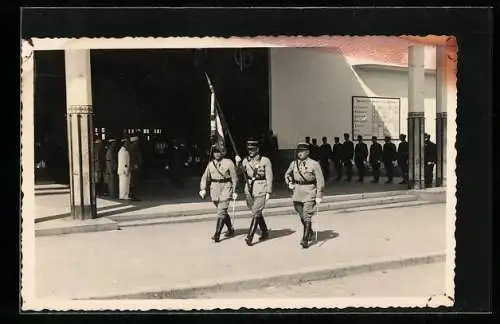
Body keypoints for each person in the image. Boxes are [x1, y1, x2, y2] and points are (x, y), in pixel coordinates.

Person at [284, 143, 325, 249]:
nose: (300, 153)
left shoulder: (314, 164)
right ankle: (310, 231)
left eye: (302, 151)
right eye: (298, 151)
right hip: (297, 191)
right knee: (301, 214)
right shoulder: (294, 164)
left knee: (306, 215)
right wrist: (289, 183)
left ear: (307, 152)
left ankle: (305, 239)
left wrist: (319, 195)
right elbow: (287, 174)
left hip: (309, 191)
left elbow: (320, 180)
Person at [235, 139, 273, 246]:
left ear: (258, 149)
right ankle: (265, 232)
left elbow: (269, 176)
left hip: (261, 187)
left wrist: (269, 191)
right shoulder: (245, 161)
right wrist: (237, 163)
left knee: (256, 211)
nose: (251, 151)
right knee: (256, 211)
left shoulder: (265, 160)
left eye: (253, 149)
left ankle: (249, 236)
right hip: (249, 189)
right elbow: (239, 172)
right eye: (249, 149)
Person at [199, 144, 238, 243]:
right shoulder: (210, 164)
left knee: (221, 212)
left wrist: (234, 190)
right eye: (215, 152)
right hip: (215, 190)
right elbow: (205, 177)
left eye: (219, 152)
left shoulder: (229, 163)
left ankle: (217, 234)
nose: (217, 154)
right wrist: (203, 189)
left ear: (223, 152)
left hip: (226, 187)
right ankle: (230, 229)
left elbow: (234, 178)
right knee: (223, 212)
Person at [128, 135, 143, 201]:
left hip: (134, 166)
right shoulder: (133, 148)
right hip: (133, 166)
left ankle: (132, 195)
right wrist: (135, 164)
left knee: (133, 181)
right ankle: (133, 196)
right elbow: (132, 158)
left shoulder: (133, 147)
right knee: (133, 182)